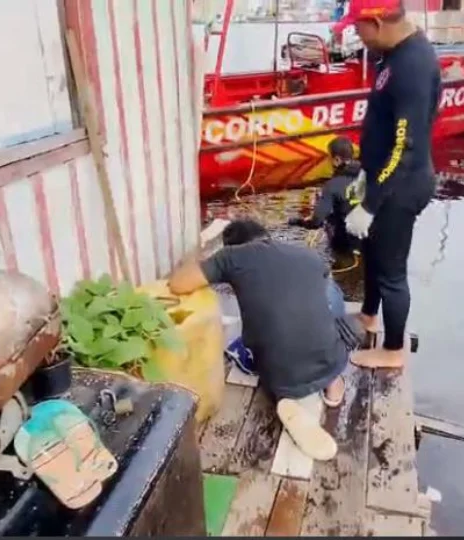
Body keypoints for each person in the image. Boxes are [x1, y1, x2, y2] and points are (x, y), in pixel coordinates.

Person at [167, 218, 347, 460]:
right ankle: (332, 386)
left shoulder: (231, 256)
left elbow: (178, 284)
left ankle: (286, 396)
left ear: (233, 245)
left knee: (245, 337)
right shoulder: (308, 254)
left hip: (280, 371)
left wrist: (196, 256)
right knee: (329, 293)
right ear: (266, 235)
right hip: (329, 354)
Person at [333, 0, 439, 369]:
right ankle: (368, 314)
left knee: (392, 270)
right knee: (374, 256)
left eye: (357, 28)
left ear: (376, 22)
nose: (355, 35)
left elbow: (404, 145)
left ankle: (393, 350)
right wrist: (366, 170)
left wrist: (373, 202)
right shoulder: (392, 55)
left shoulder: (411, 64)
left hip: (401, 185)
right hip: (384, 177)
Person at [287, 136, 362, 255]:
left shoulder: (332, 186)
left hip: (346, 244)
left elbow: (316, 222)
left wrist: (297, 222)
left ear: (336, 160)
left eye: (329, 158)